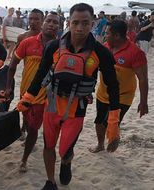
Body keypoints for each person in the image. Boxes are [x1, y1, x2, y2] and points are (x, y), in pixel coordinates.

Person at [17, 3, 120, 189]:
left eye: (85, 23)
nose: (80, 28)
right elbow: (40, 74)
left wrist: (113, 121)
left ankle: (66, 161)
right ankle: (50, 181)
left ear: (93, 23)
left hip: (76, 110)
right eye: (75, 23)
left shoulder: (100, 52)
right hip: (52, 105)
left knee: (65, 149)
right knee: (49, 145)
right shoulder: (53, 47)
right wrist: (28, 97)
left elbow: (113, 85)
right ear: (69, 23)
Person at [6, 12, 60, 173]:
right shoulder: (27, 42)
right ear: (44, 23)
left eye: (55, 22)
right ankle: (27, 132)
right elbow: (13, 64)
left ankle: (24, 159)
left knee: (34, 129)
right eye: (49, 21)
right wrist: (9, 86)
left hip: (45, 97)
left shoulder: (62, 46)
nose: (51, 24)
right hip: (25, 92)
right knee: (27, 121)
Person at [89, 20, 148, 153]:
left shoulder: (135, 52)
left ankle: (114, 136)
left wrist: (143, 102)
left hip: (123, 96)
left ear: (116, 35)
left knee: (112, 123)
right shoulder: (105, 47)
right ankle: (100, 145)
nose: (105, 35)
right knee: (99, 121)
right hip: (103, 93)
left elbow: (143, 79)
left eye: (107, 33)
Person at [16, 8, 44, 141]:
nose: (33, 22)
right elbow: (15, 61)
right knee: (24, 107)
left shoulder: (49, 39)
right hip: (26, 79)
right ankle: (23, 128)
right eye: (30, 18)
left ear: (42, 21)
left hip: (43, 84)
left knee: (37, 112)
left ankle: (31, 135)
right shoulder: (23, 37)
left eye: (36, 19)